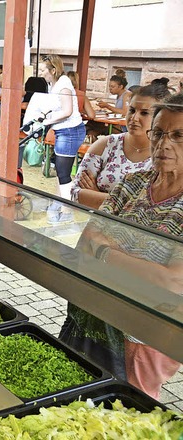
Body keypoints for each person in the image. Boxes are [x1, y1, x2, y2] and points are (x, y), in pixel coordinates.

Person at [60, 92, 183, 399]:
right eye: (158, 133)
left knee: (127, 407)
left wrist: (106, 251)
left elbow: (171, 280)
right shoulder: (132, 183)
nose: (164, 143)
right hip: (95, 313)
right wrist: (136, 262)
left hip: (146, 334)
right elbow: (84, 242)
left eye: (179, 135)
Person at [71, 84, 170, 209]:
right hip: (96, 225)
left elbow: (151, 208)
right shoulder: (105, 145)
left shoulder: (167, 156)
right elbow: (76, 193)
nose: (134, 118)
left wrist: (97, 195)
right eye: (132, 110)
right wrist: (124, 202)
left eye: (144, 113)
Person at [38, 54, 86, 222]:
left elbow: (68, 111)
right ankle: (58, 203)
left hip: (70, 131)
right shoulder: (55, 84)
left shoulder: (63, 85)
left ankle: (66, 209)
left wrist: (48, 121)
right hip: (63, 131)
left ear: (53, 70)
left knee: (63, 172)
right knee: (60, 171)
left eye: (43, 70)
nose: (41, 72)